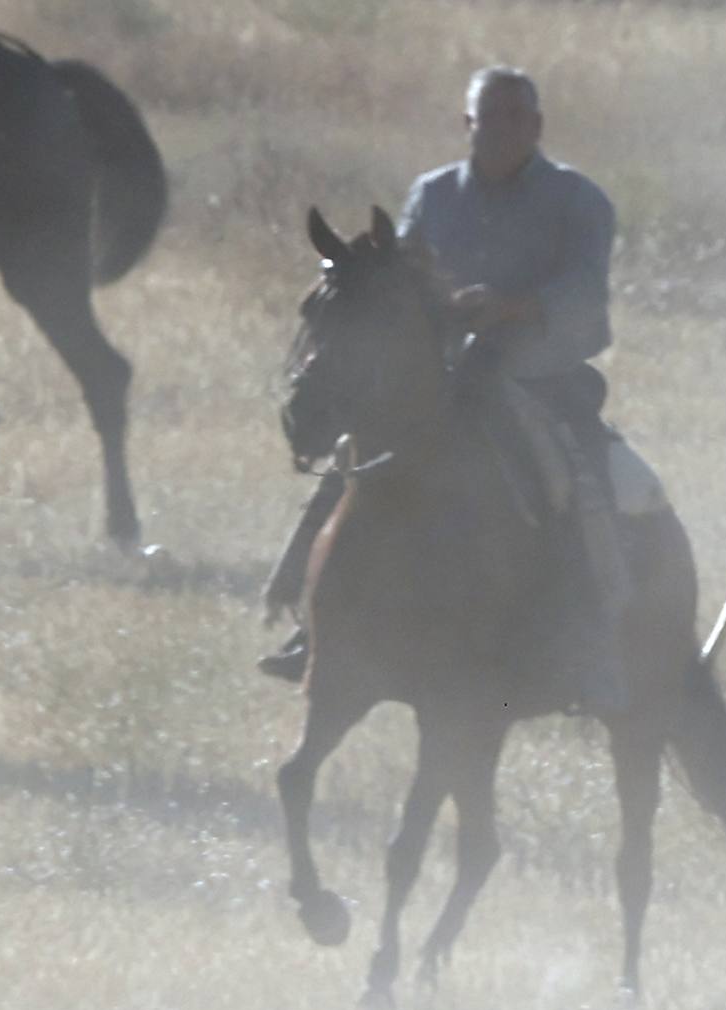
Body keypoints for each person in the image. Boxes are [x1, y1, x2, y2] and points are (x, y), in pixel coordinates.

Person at [258, 65, 628, 713]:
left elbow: (585, 297)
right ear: (469, 125)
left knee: (571, 477)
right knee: (354, 463)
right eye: (489, 117)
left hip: (540, 377)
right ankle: (313, 618)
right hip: (446, 376)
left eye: (516, 117)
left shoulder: (579, 200)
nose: (502, 129)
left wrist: (510, 307)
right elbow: (404, 280)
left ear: (536, 127)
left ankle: (592, 639)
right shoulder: (432, 195)